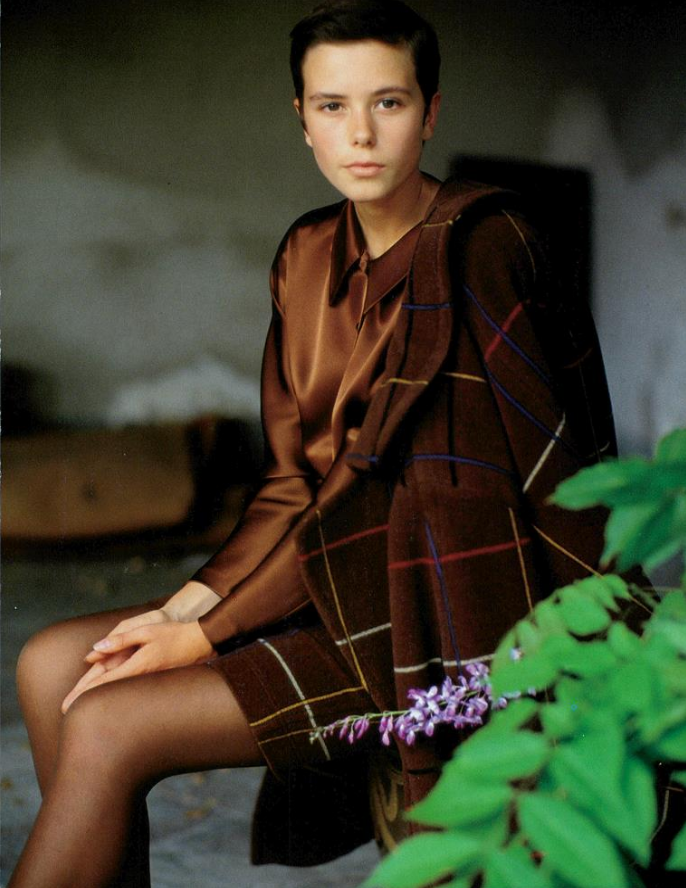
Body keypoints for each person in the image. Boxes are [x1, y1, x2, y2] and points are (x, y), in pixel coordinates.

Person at [9, 1, 616, 884]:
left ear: (430, 112)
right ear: (302, 119)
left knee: (108, 721)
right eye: (333, 106)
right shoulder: (306, 255)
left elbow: (388, 500)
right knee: (49, 665)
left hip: (436, 613)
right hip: (326, 582)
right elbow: (294, 484)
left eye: (388, 103)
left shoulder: (480, 245)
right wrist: (182, 611)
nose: (360, 134)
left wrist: (208, 636)